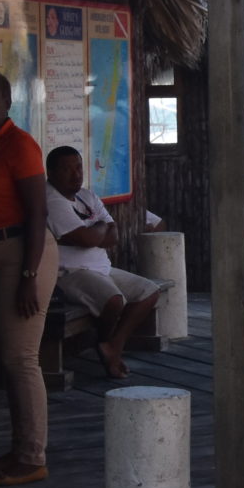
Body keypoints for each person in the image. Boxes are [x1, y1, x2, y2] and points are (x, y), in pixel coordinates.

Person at [0, 69, 55, 485]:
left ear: (8, 103)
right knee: (3, 357)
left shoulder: (19, 144)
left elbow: (37, 213)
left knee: (20, 358)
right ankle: (19, 447)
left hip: (22, 253)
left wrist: (29, 274)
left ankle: (32, 457)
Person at [44, 144, 165, 378]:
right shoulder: (52, 200)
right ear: (51, 173)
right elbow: (87, 237)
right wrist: (99, 228)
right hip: (70, 273)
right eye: (67, 169)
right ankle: (105, 343)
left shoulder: (86, 195)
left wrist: (96, 234)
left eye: (78, 167)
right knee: (114, 300)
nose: (75, 174)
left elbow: (114, 236)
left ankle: (113, 345)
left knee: (149, 291)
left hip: (102, 268)